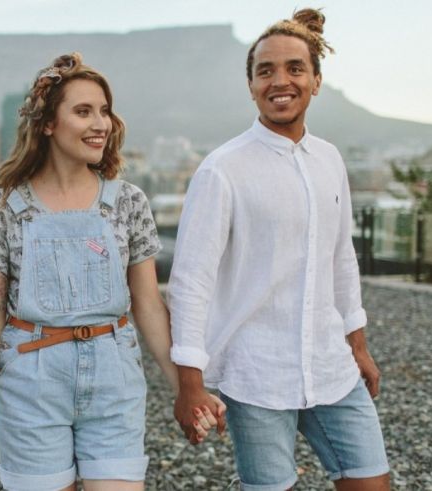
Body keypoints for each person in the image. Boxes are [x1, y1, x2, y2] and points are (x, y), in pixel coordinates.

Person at [0, 52, 224, 491]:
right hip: (31, 383)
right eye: (83, 111)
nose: (101, 123)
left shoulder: (128, 202)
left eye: (104, 111)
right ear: (47, 123)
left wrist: (187, 389)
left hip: (114, 377)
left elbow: (149, 306)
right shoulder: (4, 207)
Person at [169, 9, 391, 491]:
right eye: (264, 70)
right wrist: (190, 384)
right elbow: (191, 280)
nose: (279, 81)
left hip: (333, 366)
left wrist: (359, 345)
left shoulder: (330, 160)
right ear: (250, 85)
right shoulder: (221, 169)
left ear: (316, 80)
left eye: (294, 68)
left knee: (372, 482)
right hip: (256, 376)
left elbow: (341, 257)